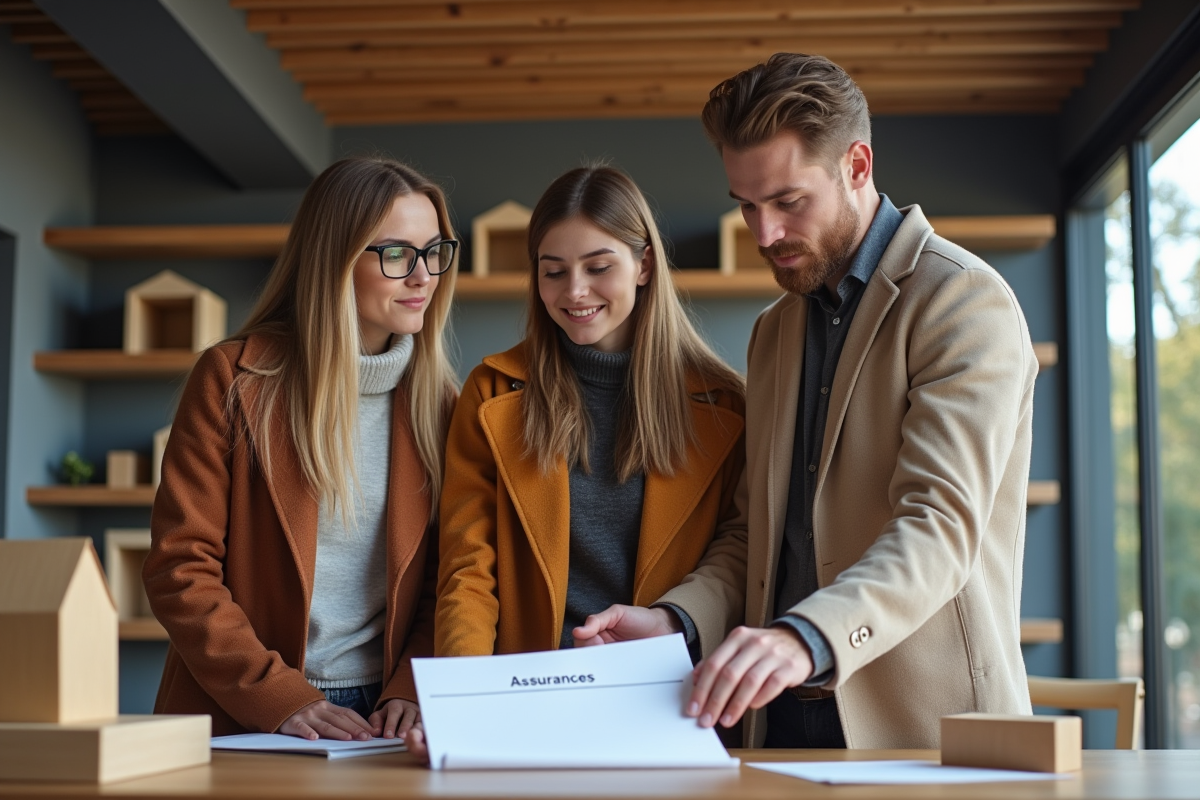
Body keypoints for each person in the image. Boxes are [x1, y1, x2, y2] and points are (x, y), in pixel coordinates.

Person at [578, 53, 1037, 750]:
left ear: (857, 165)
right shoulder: (774, 332)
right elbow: (751, 533)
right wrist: (677, 622)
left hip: (926, 729)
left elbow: (939, 528)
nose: (764, 234)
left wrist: (803, 636)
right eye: (747, 206)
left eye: (789, 202)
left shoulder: (962, 301)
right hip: (779, 719)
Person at [143, 157, 459, 742]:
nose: (424, 276)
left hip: (389, 714)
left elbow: (448, 576)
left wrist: (414, 688)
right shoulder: (233, 379)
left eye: (435, 251)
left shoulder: (440, 404)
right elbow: (179, 567)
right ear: (334, 260)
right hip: (248, 705)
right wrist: (279, 697)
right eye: (396, 255)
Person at [433, 165, 747, 661]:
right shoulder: (490, 392)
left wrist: (675, 621)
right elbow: (468, 567)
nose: (574, 291)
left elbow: (739, 551)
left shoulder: (724, 404)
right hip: (528, 688)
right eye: (553, 271)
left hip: (669, 690)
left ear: (644, 265)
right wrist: (462, 692)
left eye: (598, 268)